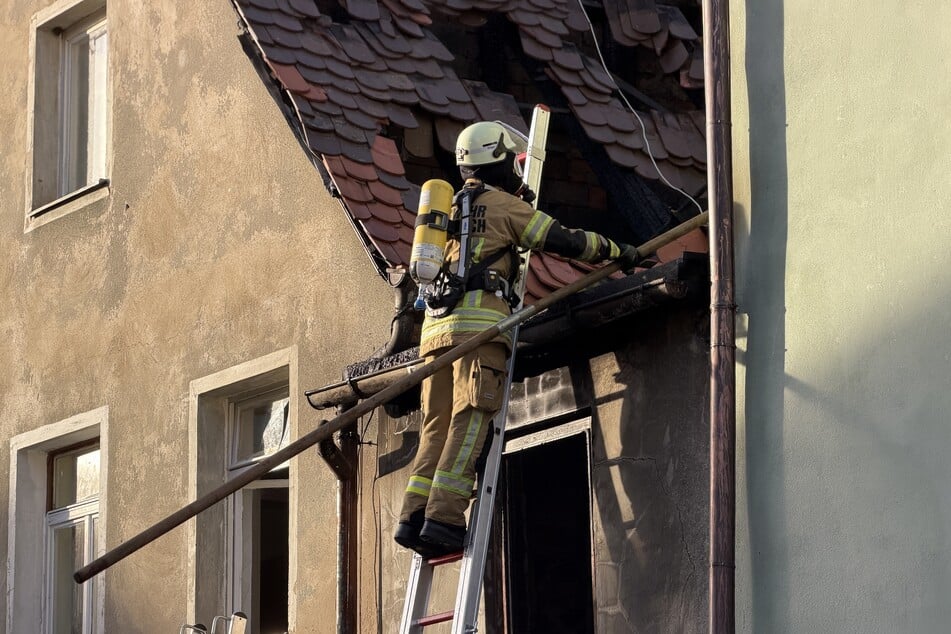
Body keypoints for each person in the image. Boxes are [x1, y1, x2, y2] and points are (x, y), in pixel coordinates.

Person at [394, 121, 640, 557]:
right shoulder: (505, 206)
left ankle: (412, 516)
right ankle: (444, 519)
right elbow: (562, 240)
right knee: (470, 421)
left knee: (435, 425)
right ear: (500, 161)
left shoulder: (447, 209)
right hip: (479, 331)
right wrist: (616, 250)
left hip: (434, 334)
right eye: (509, 160)